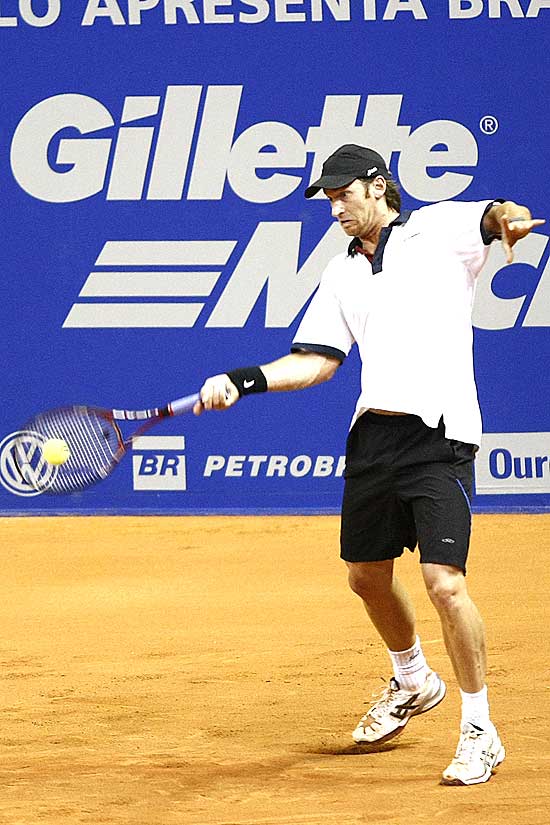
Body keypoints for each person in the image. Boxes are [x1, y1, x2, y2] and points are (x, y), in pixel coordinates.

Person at [193, 144, 545, 786]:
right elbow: (318, 362)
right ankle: (413, 680)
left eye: (341, 194)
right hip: (374, 439)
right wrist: (242, 380)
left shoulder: (437, 229)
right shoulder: (341, 274)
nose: (334, 207)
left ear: (377, 185)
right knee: (365, 576)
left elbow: (496, 216)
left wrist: (513, 219)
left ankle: (479, 726)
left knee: (444, 583)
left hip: (439, 433)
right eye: (327, 199)